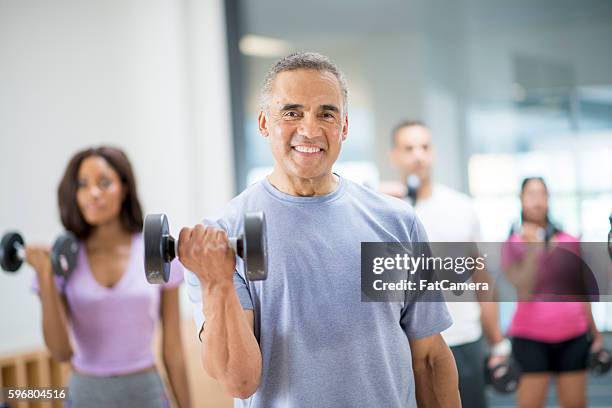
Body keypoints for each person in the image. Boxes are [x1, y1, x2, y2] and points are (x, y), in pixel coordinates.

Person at [182, 52, 460, 407]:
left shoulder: (394, 222)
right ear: (265, 123)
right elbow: (240, 380)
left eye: (326, 114)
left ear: (343, 127)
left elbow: (429, 357)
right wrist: (218, 283)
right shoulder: (222, 240)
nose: (310, 130)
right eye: (291, 112)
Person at [28, 146, 191, 408]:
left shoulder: (154, 251)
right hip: (86, 395)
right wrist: (46, 275)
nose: (93, 193)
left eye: (104, 183)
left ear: (124, 188)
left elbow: (173, 350)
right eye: (83, 184)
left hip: (145, 392)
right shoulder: (61, 260)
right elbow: (60, 352)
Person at [381, 120, 509, 408]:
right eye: (409, 148)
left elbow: (482, 280)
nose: (418, 155)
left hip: (464, 340)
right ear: (395, 156)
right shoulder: (382, 211)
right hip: (407, 346)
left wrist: (498, 340)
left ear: (433, 152)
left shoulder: (461, 207)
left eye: (424, 147)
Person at [502, 177, 604, 408]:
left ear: (548, 199)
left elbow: (581, 289)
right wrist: (532, 251)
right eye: (531, 194)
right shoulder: (512, 243)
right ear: (521, 199)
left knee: (575, 403)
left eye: (542, 194)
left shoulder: (569, 241)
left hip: (573, 334)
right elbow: (524, 291)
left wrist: (595, 332)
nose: (537, 201)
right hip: (529, 337)